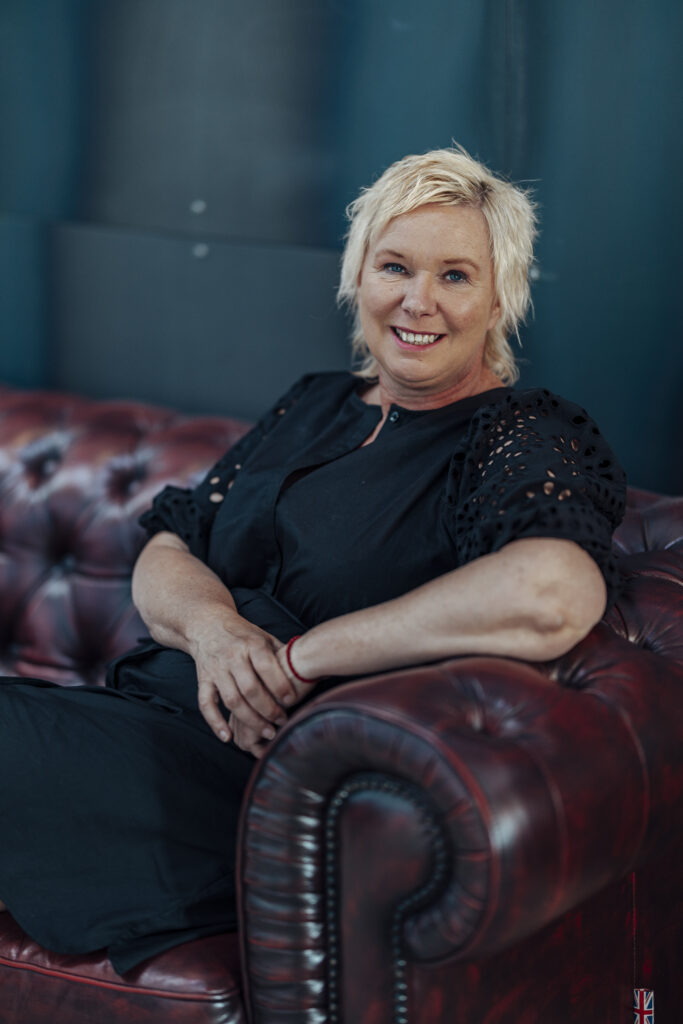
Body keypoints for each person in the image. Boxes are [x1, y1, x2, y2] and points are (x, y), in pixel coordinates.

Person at [0, 145, 626, 974]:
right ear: (356, 275)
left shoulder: (515, 431)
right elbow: (169, 545)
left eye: (454, 276)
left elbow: (552, 592)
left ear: (499, 298)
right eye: (394, 266)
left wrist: (299, 658)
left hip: (261, 785)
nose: (417, 300)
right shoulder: (314, 401)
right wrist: (215, 630)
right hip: (140, 724)